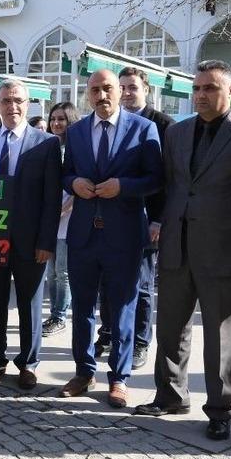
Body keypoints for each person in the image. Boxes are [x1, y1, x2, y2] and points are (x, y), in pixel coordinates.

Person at [134, 60, 231, 443]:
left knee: (222, 339)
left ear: (230, 90)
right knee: (171, 328)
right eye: (198, 88)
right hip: (176, 247)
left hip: (225, 253)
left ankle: (221, 410)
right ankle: (171, 395)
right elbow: (173, 188)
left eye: (210, 88)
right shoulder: (178, 132)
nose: (202, 95)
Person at [60, 69, 162, 408]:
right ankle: (83, 371)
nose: (101, 96)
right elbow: (67, 172)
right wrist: (73, 183)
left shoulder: (143, 129)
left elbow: (156, 178)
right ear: (87, 94)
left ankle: (119, 378)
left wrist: (124, 187)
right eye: (94, 90)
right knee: (83, 309)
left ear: (119, 91)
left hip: (125, 235)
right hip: (84, 235)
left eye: (107, 89)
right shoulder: (75, 132)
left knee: (123, 310)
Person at [0, 79, 62, 390]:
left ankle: (29, 363)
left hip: (30, 240)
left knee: (30, 303)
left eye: (19, 100)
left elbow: (52, 198)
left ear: (29, 104)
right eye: (7, 100)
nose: (13, 106)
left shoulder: (47, 143)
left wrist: (46, 242)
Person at [94, 67, 176, 368]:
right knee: (107, 280)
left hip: (146, 220)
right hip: (109, 219)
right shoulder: (108, 120)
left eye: (133, 88)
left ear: (146, 90)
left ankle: (140, 340)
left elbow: (166, 179)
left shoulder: (162, 125)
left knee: (140, 285)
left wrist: (158, 220)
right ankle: (108, 331)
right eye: (123, 87)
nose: (127, 93)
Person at [42, 102, 81, 337]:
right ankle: (54, 314)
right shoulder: (48, 145)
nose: (56, 123)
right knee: (51, 271)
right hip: (49, 219)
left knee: (62, 271)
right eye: (53, 118)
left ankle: (59, 315)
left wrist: (64, 210)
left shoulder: (76, 148)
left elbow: (79, 187)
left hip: (68, 219)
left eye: (62, 119)